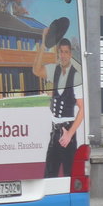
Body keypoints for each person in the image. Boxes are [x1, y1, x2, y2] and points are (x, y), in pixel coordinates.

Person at [33, 28, 84, 179]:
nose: (63, 55)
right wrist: (43, 44)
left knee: (69, 175)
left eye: (66, 52)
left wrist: (69, 134)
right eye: (61, 52)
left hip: (68, 131)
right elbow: (36, 70)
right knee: (49, 176)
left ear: (70, 54)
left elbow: (82, 109)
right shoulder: (54, 70)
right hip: (54, 133)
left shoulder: (76, 76)